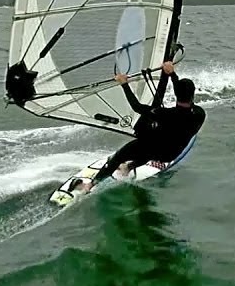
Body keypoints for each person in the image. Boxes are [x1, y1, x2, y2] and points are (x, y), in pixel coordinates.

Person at [73, 60, 205, 192]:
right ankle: (129, 167)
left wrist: (124, 84)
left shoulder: (164, 114)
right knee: (154, 142)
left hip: (154, 149)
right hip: (171, 154)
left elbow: (136, 107)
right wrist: (172, 75)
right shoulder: (200, 113)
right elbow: (182, 94)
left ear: (176, 94)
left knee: (122, 154)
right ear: (193, 94)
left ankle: (89, 185)